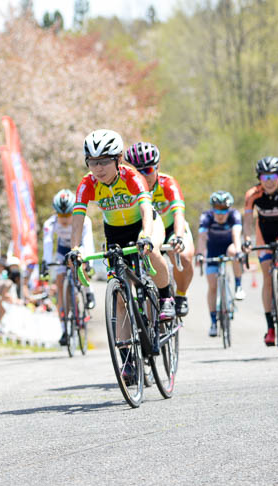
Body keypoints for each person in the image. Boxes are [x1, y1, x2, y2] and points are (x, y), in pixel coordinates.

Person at [70, 129, 174, 384]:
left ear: (118, 160)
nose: (99, 168)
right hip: (114, 232)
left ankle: (165, 297)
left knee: (154, 251)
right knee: (119, 298)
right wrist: (75, 249)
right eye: (93, 162)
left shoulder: (132, 176)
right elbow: (78, 219)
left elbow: (146, 208)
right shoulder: (87, 184)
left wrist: (146, 236)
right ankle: (127, 359)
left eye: (105, 161)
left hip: (144, 224)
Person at [124, 142, 195, 317]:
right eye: (137, 171)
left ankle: (181, 295)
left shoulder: (167, 183)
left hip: (171, 229)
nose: (142, 175)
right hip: (144, 233)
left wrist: (178, 236)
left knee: (183, 256)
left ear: (158, 167)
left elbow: (178, 213)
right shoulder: (126, 186)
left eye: (147, 170)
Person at [242, 156, 278, 346]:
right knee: (267, 277)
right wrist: (247, 240)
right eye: (265, 176)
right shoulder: (252, 194)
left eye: (273, 176)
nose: (269, 181)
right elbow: (249, 220)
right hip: (264, 231)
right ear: (259, 178)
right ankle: (271, 328)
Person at [42, 189, 96, 346]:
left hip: (79, 247)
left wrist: (89, 263)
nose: (64, 219)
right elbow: (47, 244)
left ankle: (88, 292)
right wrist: (45, 264)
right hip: (62, 251)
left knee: (81, 264)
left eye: (67, 215)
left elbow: (88, 243)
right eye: (61, 215)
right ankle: (65, 329)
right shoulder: (50, 223)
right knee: (60, 287)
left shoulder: (84, 221)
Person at [195, 191, 244, 337]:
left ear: (229, 208)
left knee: (234, 252)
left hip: (229, 247)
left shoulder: (235, 215)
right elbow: (202, 238)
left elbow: (236, 235)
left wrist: (239, 250)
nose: (220, 213)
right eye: (217, 208)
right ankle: (213, 322)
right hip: (213, 251)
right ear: (212, 208)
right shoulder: (206, 217)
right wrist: (200, 254)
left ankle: (238, 285)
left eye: (224, 209)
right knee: (212, 286)